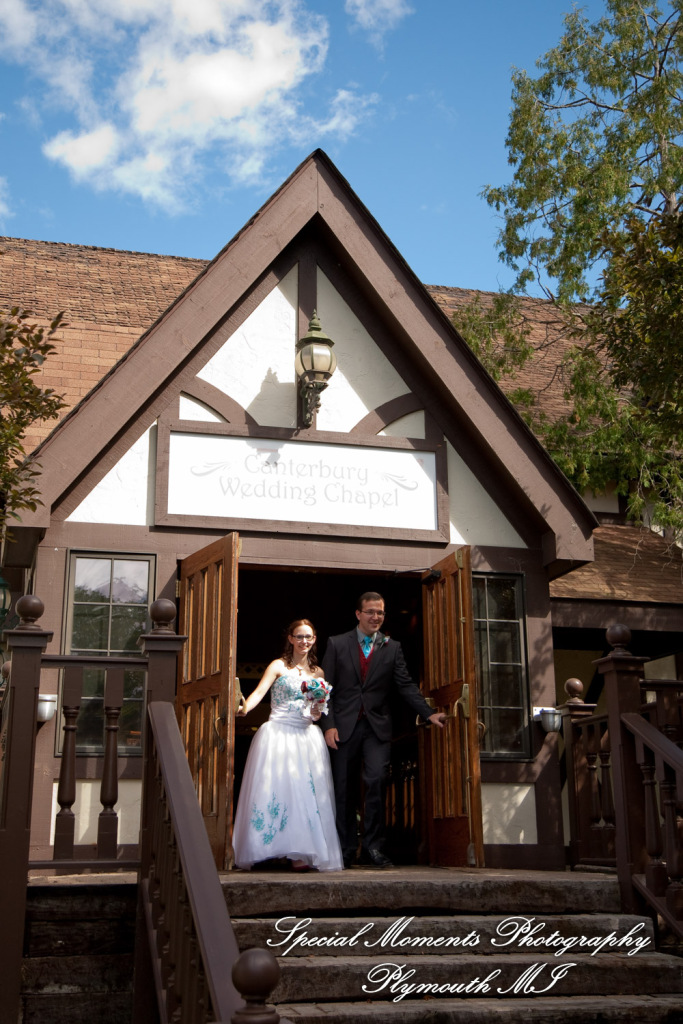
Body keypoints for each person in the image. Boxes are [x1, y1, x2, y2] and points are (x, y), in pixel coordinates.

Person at [322, 592, 445, 869]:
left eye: (380, 612)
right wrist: (327, 726)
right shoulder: (337, 643)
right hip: (342, 727)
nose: (375, 617)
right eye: (370, 612)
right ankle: (345, 848)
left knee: (376, 782)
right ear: (358, 614)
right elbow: (325, 690)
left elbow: (405, 685)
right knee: (343, 788)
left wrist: (428, 713)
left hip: (377, 728)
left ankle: (373, 848)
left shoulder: (392, 647)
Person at [232, 619, 343, 872]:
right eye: (300, 637)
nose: (305, 641)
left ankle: (300, 852)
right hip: (278, 734)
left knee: (304, 794)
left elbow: (317, 714)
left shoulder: (319, 674)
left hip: (306, 737)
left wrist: (316, 709)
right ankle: (266, 848)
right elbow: (260, 692)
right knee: (275, 788)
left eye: (309, 637)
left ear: (314, 640)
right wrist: (244, 708)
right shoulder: (278, 666)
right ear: (291, 639)